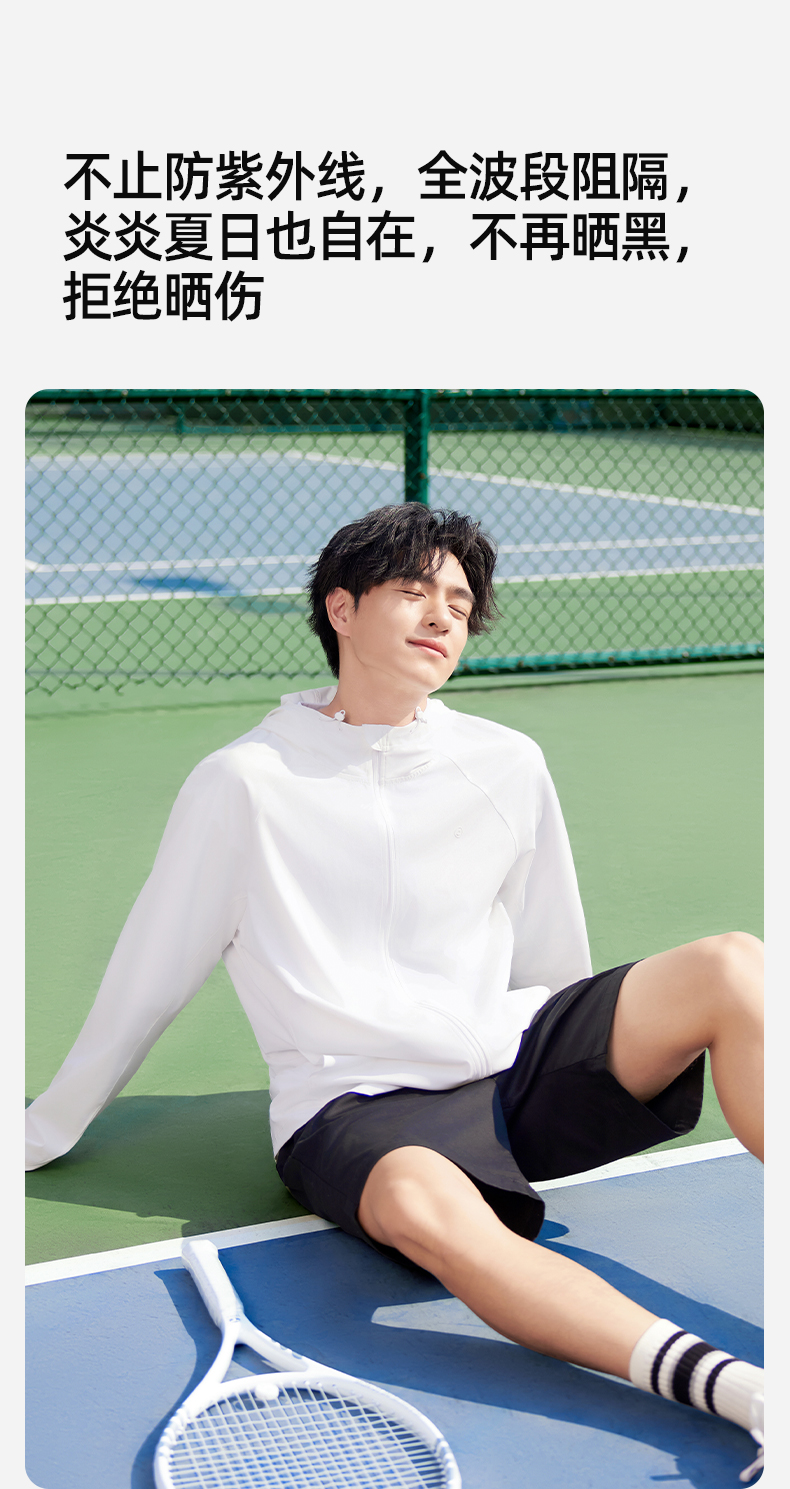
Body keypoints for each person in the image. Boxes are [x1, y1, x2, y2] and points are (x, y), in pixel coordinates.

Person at [25, 504, 764, 1481]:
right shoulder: (244, 783)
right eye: (414, 590)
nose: (443, 615)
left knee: (733, 965)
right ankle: (750, 1398)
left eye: (458, 599)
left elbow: (554, 957)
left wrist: (572, 1059)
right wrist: (42, 1128)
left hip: (511, 1070)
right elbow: (148, 974)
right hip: (356, 1107)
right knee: (429, 1206)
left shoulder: (506, 761)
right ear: (341, 608)